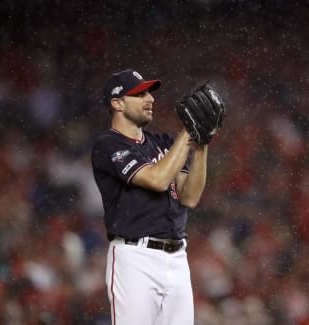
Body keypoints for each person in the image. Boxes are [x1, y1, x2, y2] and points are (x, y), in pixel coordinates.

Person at [91, 69, 209, 325]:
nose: (150, 99)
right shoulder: (109, 145)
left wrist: (201, 146)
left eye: (149, 93)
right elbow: (157, 179)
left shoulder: (165, 143)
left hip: (177, 256)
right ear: (117, 103)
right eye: (139, 94)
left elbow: (189, 197)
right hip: (135, 259)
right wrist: (188, 133)